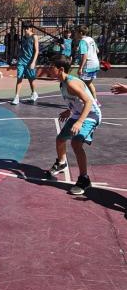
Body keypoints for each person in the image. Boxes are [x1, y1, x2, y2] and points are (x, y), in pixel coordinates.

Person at [47, 56, 102, 195]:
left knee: (76, 143)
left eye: (51, 67)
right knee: (60, 139)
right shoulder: (62, 83)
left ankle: (84, 179)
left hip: (90, 115)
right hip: (78, 112)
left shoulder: (71, 83)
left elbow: (88, 102)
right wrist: (69, 110)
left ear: (60, 70)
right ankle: (61, 163)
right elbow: (76, 101)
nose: (48, 69)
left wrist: (79, 121)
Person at [11, 22, 39, 105]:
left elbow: (37, 51)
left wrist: (33, 62)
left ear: (31, 28)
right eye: (24, 29)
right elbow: (21, 49)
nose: (25, 30)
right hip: (21, 61)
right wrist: (16, 57)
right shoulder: (23, 38)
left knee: (31, 79)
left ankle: (34, 93)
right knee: (19, 78)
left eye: (27, 28)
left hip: (30, 61)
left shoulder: (34, 37)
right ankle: (16, 97)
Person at [75, 25, 100, 102]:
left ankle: (83, 101)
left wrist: (80, 68)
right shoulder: (90, 39)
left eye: (76, 32)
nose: (75, 34)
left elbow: (84, 56)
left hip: (88, 65)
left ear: (81, 33)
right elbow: (97, 51)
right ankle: (95, 100)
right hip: (95, 64)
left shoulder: (83, 42)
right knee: (89, 83)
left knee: (81, 84)